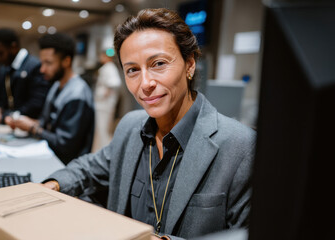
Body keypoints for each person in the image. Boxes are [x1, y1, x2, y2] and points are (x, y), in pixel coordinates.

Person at [42, 8, 256, 240]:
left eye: (159, 64)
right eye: (132, 70)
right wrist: (52, 185)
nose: (145, 83)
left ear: (190, 64)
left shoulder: (241, 146)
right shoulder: (130, 128)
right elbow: (89, 169)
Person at [12, 33, 95, 165]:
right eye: (42, 62)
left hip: (67, 167)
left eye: (48, 63)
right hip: (50, 157)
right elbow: (49, 123)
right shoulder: (56, 85)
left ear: (66, 61)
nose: (42, 69)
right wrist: (30, 123)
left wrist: (33, 128)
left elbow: (66, 145)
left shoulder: (77, 95)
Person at [0, 28, 50, 126]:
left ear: (13, 47)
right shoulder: (4, 68)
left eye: (1, 53)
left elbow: (36, 104)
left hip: (27, 125)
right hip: (8, 124)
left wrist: (7, 116)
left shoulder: (35, 66)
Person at [92, 48, 122, 152]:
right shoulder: (107, 67)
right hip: (101, 103)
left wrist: (105, 94)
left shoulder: (110, 67)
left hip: (104, 104)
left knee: (103, 128)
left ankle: (104, 151)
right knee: (100, 129)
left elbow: (114, 83)